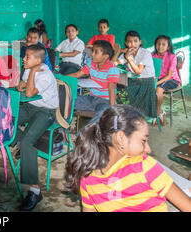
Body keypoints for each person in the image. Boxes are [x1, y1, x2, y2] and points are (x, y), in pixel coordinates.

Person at [65, 105, 191, 212]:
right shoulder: (143, 166)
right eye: (144, 140)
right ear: (120, 138)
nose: (148, 149)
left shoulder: (87, 178)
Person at [14, 43, 59, 211]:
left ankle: (35, 191)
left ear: (39, 60)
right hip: (30, 106)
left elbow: (29, 93)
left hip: (45, 111)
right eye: (25, 56)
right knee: (5, 120)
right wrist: (22, 83)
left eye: (28, 57)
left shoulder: (46, 75)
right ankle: (20, 143)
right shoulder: (29, 68)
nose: (24, 59)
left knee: (27, 143)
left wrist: (32, 72)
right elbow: (24, 85)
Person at [68, 40, 119, 128]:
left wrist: (112, 109)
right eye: (93, 51)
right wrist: (60, 78)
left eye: (96, 52)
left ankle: (82, 138)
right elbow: (77, 74)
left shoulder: (112, 69)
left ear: (105, 56)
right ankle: (60, 130)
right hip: (91, 98)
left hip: (105, 101)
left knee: (99, 118)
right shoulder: (91, 63)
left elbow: (111, 90)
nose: (92, 54)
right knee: (67, 100)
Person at [113, 31, 157, 120]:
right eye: (129, 41)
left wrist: (128, 58)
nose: (133, 44)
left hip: (146, 82)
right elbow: (113, 64)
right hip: (134, 80)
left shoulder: (145, 54)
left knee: (122, 89)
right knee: (115, 82)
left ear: (140, 42)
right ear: (126, 43)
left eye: (135, 41)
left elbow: (138, 71)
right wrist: (119, 52)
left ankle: (129, 113)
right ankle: (124, 111)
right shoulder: (127, 53)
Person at [151, 35, 181, 127]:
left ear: (168, 47)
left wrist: (155, 83)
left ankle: (157, 113)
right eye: (158, 44)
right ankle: (160, 112)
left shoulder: (172, 57)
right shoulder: (152, 55)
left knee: (158, 90)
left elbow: (168, 76)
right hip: (158, 79)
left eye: (163, 44)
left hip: (172, 79)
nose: (160, 46)